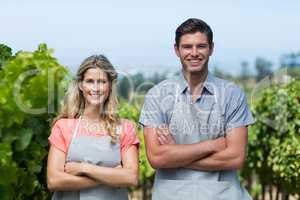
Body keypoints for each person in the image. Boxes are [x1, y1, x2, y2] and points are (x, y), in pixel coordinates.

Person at [139, 18, 255, 200]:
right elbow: (156, 158)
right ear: (176, 50)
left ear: (211, 48)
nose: (194, 53)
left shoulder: (232, 94)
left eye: (201, 46)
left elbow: (235, 157)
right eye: (187, 47)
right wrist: (212, 145)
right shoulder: (157, 95)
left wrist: (176, 153)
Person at [47, 55, 139, 200]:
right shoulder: (63, 127)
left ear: (110, 86)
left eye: (102, 82)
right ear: (80, 85)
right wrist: (112, 177)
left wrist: (83, 168)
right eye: (90, 81)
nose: (96, 88)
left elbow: (131, 177)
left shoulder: (126, 128)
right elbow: (54, 181)